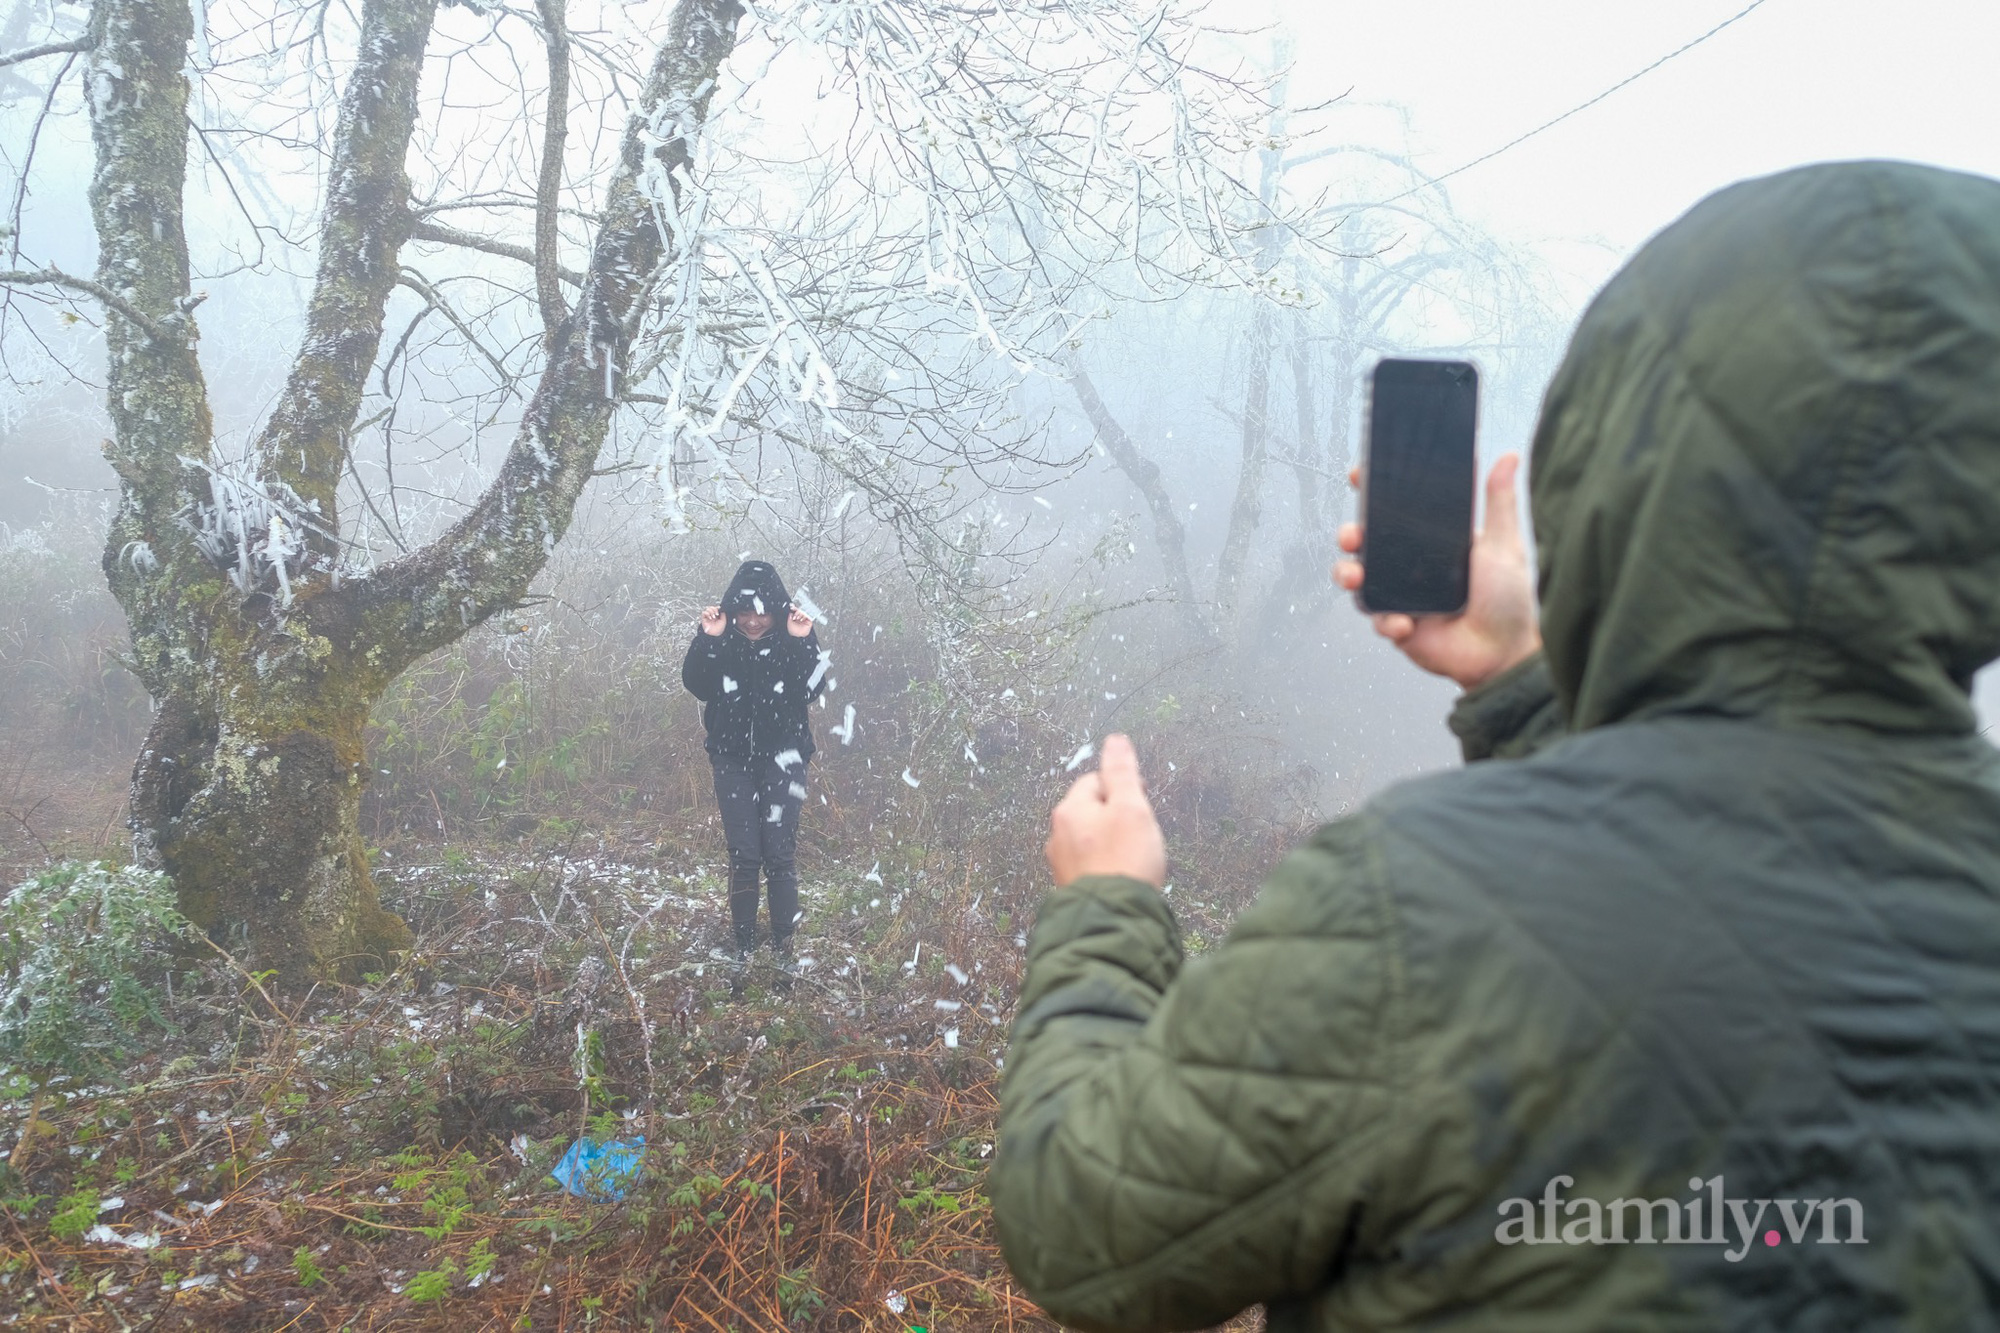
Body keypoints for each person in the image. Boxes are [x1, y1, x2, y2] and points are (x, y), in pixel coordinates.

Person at [990, 161, 2000, 1330]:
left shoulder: (1413, 909)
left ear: (1616, 454)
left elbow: (1086, 1225)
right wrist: (1529, 688)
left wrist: (1104, 909)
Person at [681, 560, 828, 969]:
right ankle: (743, 947)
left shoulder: (791, 639)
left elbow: (812, 688)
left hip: (786, 759)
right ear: (733, 610)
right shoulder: (722, 640)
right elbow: (696, 683)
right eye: (745, 612)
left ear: (777, 611)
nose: (752, 621)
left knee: (779, 855)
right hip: (731, 760)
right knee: (744, 855)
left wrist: (802, 640)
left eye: (762, 612)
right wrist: (708, 638)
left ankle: (784, 948)